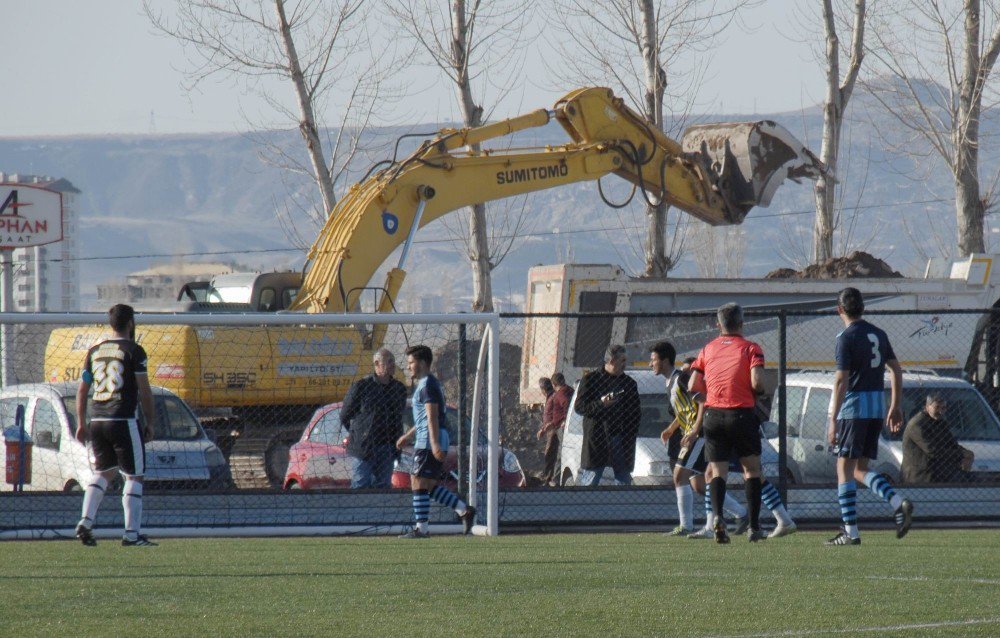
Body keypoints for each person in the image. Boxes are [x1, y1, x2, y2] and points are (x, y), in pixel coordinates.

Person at [826, 287, 914, 546]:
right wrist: (895, 406)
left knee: (844, 468)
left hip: (853, 409)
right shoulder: (878, 333)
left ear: (839, 310)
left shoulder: (845, 337)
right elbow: (896, 371)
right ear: (863, 308)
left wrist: (832, 417)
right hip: (876, 408)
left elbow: (841, 379)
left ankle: (851, 532)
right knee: (860, 470)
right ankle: (898, 503)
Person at [74, 304, 157, 547]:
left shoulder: (94, 351)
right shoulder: (135, 351)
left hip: (97, 420)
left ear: (111, 324)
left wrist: (81, 423)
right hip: (122, 419)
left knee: (103, 473)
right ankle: (131, 535)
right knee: (134, 477)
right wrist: (150, 422)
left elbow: (82, 390)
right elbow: (145, 391)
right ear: (131, 323)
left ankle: (85, 521)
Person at [688, 303, 767, 543]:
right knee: (751, 469)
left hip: (713, 416)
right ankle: (754, 527)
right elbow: (757, 383)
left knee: (716, 471)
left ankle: (718, 518)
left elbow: (692, 385)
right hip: (741, 414)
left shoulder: (707, 349)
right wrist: (759, 392)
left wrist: (709, 398)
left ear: (718, 325)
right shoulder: (751, 348)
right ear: (742, 324)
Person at [396, 344, 476, 538]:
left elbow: (432, 417)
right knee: (428, 486)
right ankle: (464, 510)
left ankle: (421, 530)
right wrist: (408, 436)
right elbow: (425, 417)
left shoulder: (428, 385)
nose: (408, 367)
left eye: (411, 362)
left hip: (430, 439)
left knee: (418, 481)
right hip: (428, 437)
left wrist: (434, 444)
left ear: (422, 363)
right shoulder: (428, 383)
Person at [574, 344, 641, 486]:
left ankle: (619, 507)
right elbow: (579, 407)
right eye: (622, 360)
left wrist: (629, 433)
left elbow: (635, 414)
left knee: (623, 480)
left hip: (620, 439)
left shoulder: (629, 384)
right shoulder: (590, 380)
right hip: (598, 438)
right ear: (611, 361)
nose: (625, 364)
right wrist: (601, 403)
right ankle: (587, 507)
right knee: (591, 479)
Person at [341, 348, 408, 489]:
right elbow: (345, 415)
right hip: (364, 447)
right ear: (377, 364)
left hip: (388, 447)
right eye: (389, 361)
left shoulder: (399, 389)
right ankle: (358, 511)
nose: (392, 365)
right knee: (361, 484)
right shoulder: (362, 387)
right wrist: (358, 433)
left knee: (383, 486)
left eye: (393, 361)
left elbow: (399, 416)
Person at [901, 392, 975, 484]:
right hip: (919, 477)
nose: (941, 411)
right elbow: (933, 451)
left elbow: (951, 443)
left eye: (943, 408)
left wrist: (966, 454)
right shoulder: (917, 425)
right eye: (937, 407)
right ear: (927, 406)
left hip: (937, 473)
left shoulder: (940, 422)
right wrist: (960, 454)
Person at [538, 373, 573, 486]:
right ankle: (550, 476)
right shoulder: (554, 395)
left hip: (555, 428)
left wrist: (562, 421)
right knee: (552, 454)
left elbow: (557, 414)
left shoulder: (557, 395)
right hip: (553, 428)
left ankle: (551, 478)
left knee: (552, 454)